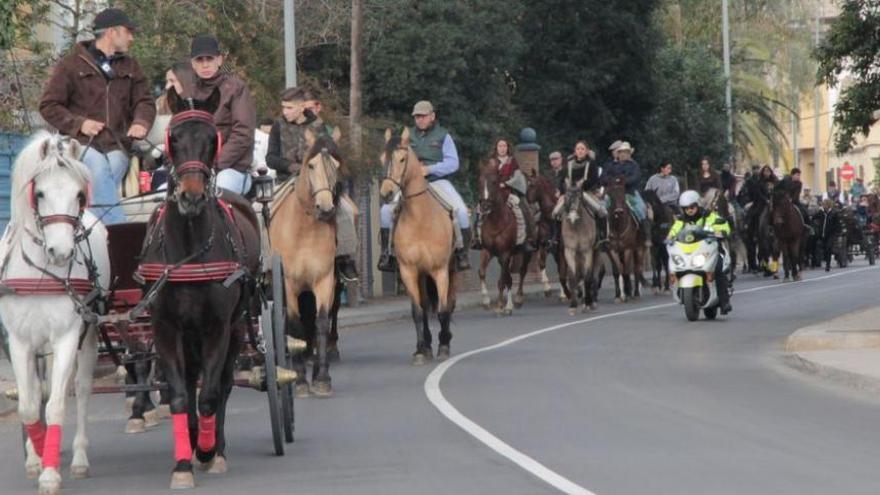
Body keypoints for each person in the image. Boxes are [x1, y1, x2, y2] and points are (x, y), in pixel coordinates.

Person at [39, 8, 155, 224]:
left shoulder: (132, 66)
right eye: (128, 31)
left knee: (108, 167)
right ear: (112, 32)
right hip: (79, 144)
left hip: (117, 146)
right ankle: (119, 233)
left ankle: (89, 226)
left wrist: (141, 122)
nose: (132, 37)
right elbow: (48, 105)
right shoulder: (71, 65)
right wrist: (79, 124)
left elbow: (145, 102)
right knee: (99, 167)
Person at [265, 87, 360, 282]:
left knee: (347, 210)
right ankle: (267, 267)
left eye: (289, 108)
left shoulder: (318, 126)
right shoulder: (277, 126)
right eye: (284, 107)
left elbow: (330, 154)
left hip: (317, 181)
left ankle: (344, 259)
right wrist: (292, 166)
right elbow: (270, 158)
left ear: (301, 107)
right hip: (287, 180)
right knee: (259, 210)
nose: (285, 112)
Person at [378, 100, 471, 272]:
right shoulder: (407, 136)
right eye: (416, 116)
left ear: (432, 116)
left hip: (437, 181)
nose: (419, 119)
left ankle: (461, 254)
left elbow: (453, 163)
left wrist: (429, 169)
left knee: (462, 212)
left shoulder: (444, 136)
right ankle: (387, 254)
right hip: (409, 185)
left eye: (422, 116)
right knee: (385, 211)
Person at [189, 35, 256, 195]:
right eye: (199, 60)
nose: (205, 64)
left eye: (209, 59)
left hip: (232, 169)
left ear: (219, 60)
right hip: (194, 169)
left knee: (218, 190)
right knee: (163, 195)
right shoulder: (188, 92)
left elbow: (243, 133)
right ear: (192, 64)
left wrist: (214, 163)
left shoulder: (236, 88)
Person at [667, 190, 733, 314]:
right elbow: (674, 231)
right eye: (686, 208)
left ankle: (724, 302)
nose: (689, 210)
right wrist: (669, 238)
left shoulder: (709, 216)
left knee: (718, 270)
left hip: (710, 250)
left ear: (697, 205)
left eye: (692, 207)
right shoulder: (681, 220)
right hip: (690, 251)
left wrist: (721, 231)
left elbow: (723, 225)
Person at [473, 138, 536, 252]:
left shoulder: (512, 162)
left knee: (523, 209)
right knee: (478, 210)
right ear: (496, 148)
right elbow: (486, 177)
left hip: (508, 192)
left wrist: (506, 184)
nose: (502, 148)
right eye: (500, 146)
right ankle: (476, 238)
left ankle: (526, 239)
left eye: (504, 146)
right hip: (493, 194)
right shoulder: (491, 162)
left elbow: (517, 178)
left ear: (507, 148)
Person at [601, 141, 651, 244]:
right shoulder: (611, 165)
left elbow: (635, 178)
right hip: (613, 194)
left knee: (641, 209)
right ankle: (603, 235)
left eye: (626, 152)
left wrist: (621, 181)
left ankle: (646, 236)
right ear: (618, 154)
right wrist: (614, 182)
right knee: (602, 208)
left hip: (630, 193)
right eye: (621, 152)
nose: (623, 154)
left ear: (629, 153)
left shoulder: (634, 166)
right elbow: (603, 177)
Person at [814, 199, 841, 271]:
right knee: (824, 248)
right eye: (823, 205)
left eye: (825, 204)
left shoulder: (834, 213)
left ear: (828, 205)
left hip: (831, 234)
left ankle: (828, 265)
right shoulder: (821, 213)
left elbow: (837, 224)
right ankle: (822, 260)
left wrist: (835, 231)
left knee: (828, 248)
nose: (823, 206)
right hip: (822, 234)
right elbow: (814, 218)